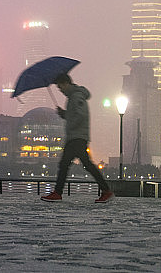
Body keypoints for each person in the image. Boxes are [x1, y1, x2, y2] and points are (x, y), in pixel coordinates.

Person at [41, 73, 114, 203]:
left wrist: (70, 123)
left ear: (66, 83)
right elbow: (75, 115)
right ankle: (105, 190)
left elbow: (80, 116)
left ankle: (58, 193)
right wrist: (64, 114)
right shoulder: (74, 97)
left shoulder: (76, 97)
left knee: (68, 165)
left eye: (60, 87)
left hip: (76, 137)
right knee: (82, 164)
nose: (60, 90)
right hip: (77, 137)